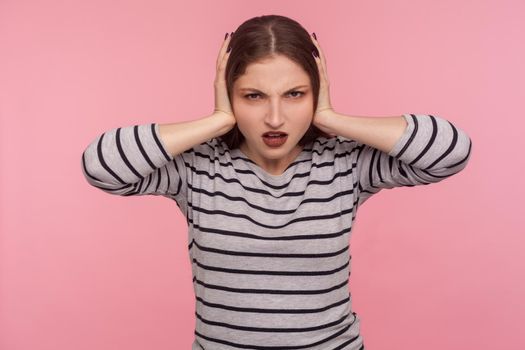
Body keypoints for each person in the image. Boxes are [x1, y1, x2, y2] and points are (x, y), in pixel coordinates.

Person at [81, 14, 472, 350]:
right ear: (229, 94)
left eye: (295, 94)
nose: (274, 118)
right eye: (252, 96)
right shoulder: (198, 166)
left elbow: (451, 150)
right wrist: (217, 120)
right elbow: (101, 165)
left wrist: (331, 118)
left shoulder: (344, 162)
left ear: (315, 94)